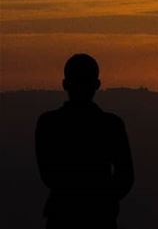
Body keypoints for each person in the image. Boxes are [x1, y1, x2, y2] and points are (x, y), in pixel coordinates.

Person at [35, 54, 134, 229]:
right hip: (100, 217)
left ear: (65, 84)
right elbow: (125, 176)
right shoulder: (111, 125)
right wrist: (103, 200)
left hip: (63, 215)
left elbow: (48, 175)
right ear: (97, 85)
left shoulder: (49, 123)